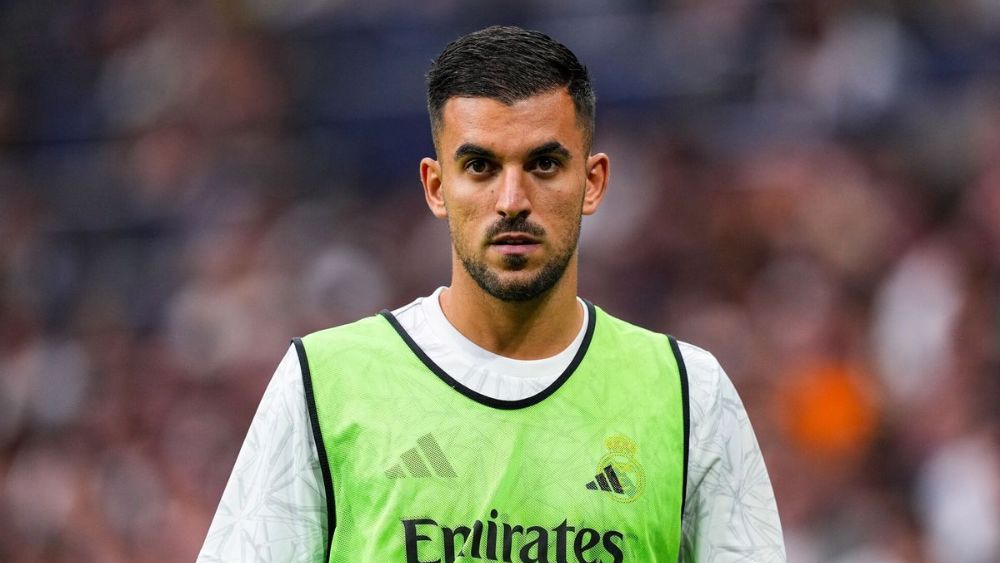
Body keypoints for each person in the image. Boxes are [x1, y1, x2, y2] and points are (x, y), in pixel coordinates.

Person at [198, 25, 785, 563]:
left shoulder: (689, 395)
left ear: (593, 181)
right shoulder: (322, 384)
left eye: (545, 164)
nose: (511, 200)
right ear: (435, 186)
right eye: (479, 166)